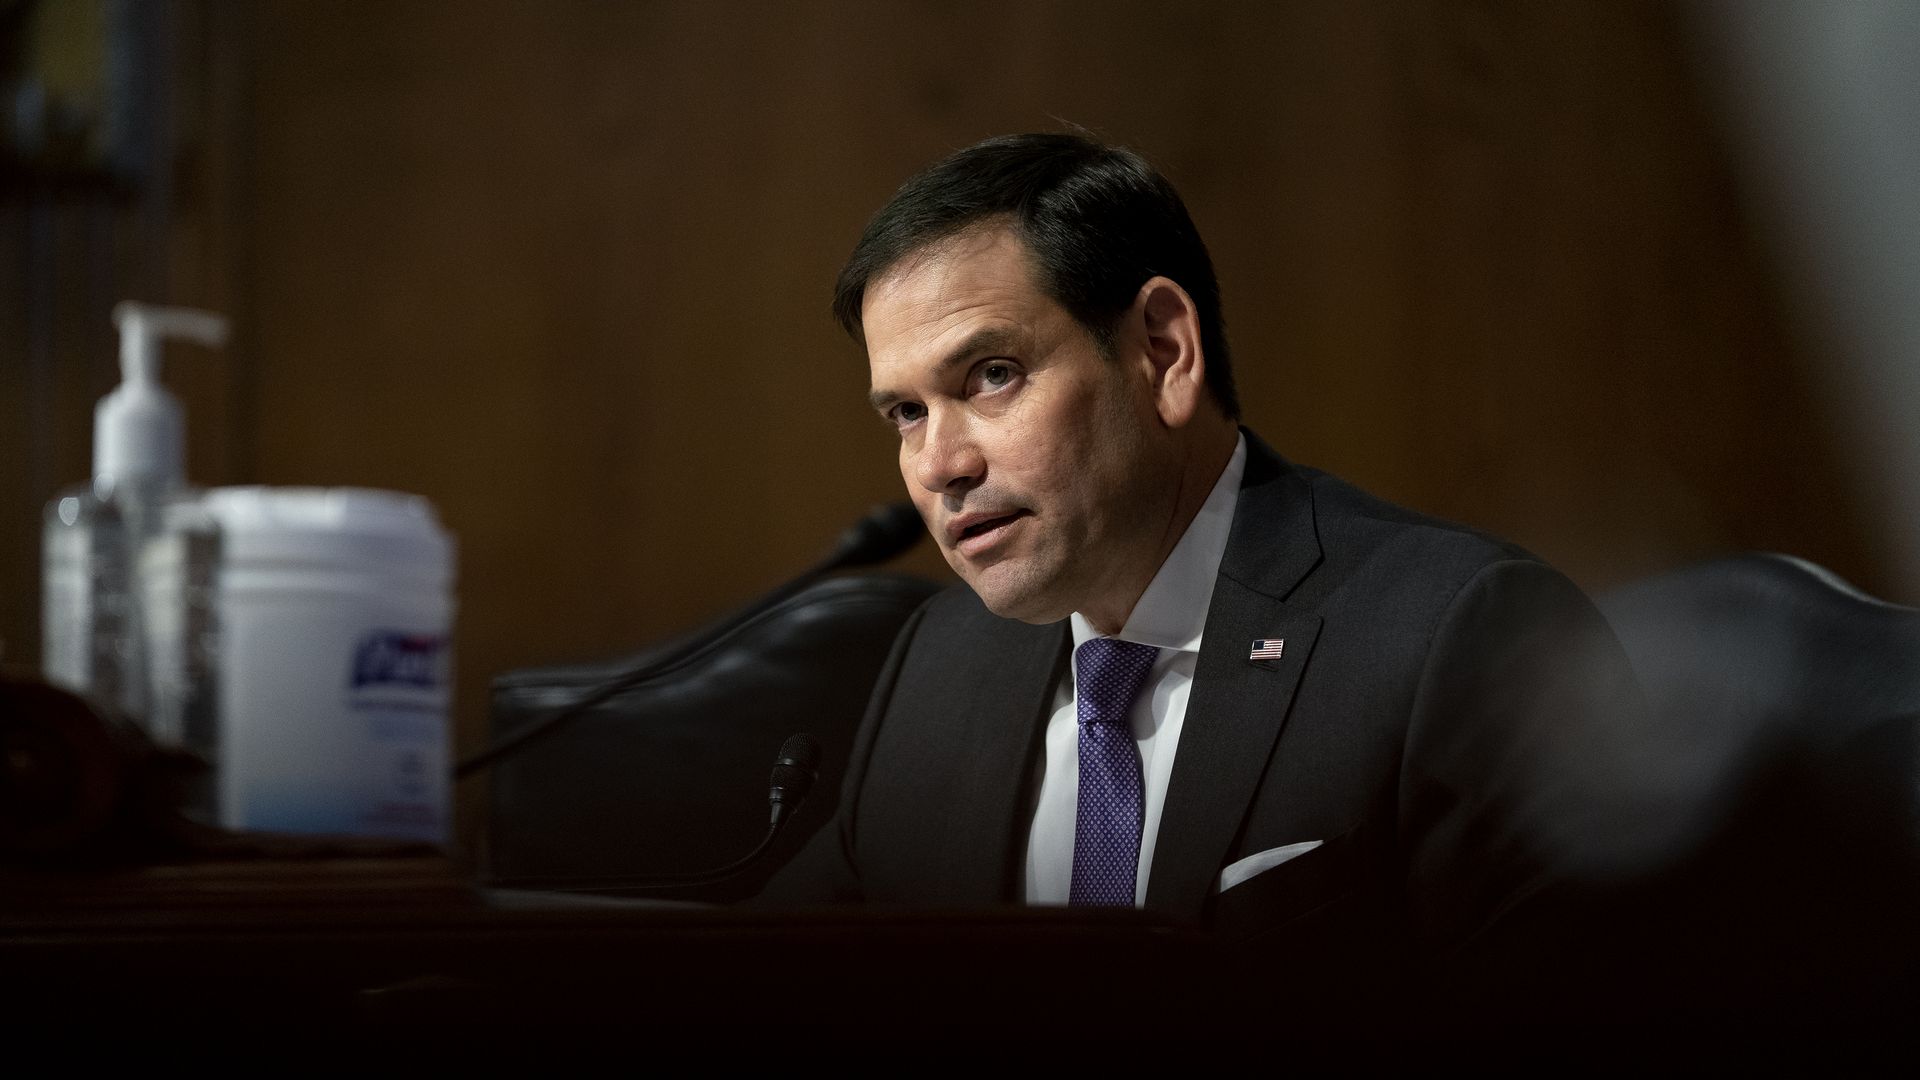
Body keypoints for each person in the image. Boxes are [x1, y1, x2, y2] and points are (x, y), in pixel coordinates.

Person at [761, 132, 1654, 1024]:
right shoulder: (941, 667)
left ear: (1163, 350)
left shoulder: (1456, 639)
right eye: (908, 414)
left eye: (992, 376)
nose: (940, 464)